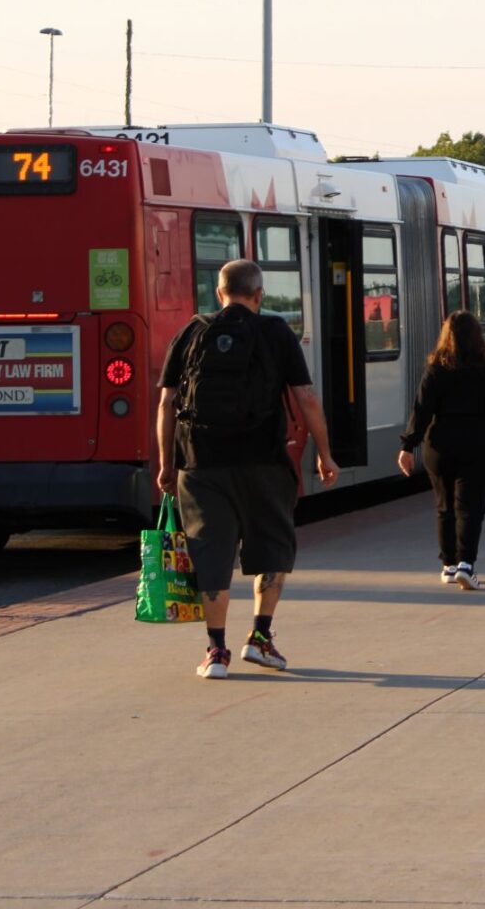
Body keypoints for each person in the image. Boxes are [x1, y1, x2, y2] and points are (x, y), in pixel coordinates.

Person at [157, 259, 338, 679]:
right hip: (264, 462)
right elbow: (307, 397)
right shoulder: (275, 331)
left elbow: (166, 404)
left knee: (211, 552)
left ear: (219, 293)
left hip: (200, 465)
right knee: (273, 547)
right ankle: (259, 638)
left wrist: (167, 463)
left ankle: (216, 652)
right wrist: (325, 454)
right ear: (259, 295)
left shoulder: (192, 331)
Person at [396, 310, 485, 591]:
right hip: (476, 443)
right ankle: (466, 565)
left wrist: (408, 446)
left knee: (444, 505)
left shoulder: (435, 368)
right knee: (470, 506)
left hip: (439, 446)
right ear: (476, 336)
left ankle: (448, 565)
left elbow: (421, 411)